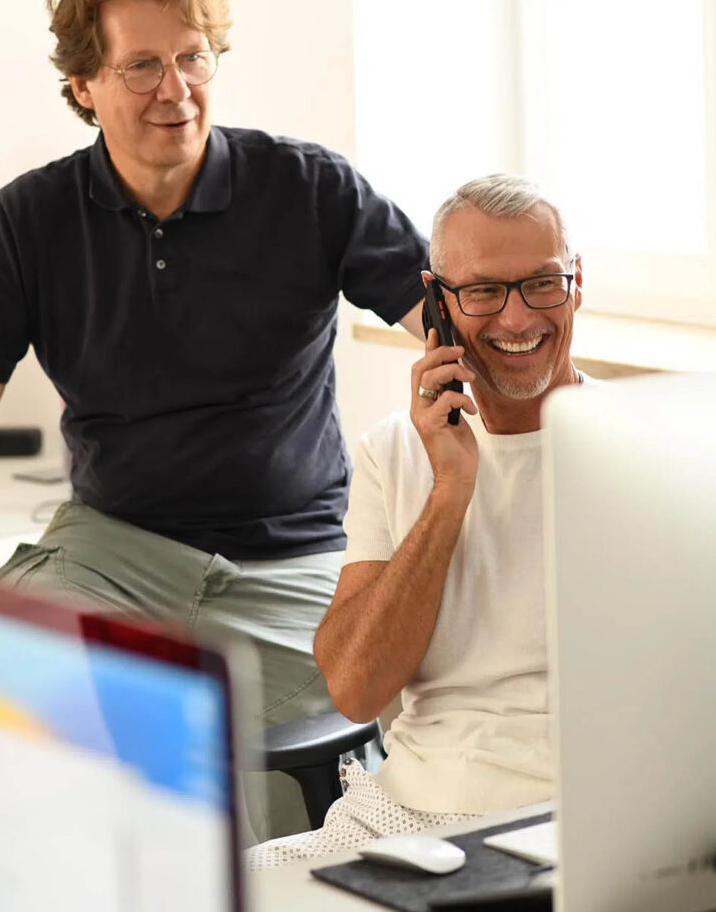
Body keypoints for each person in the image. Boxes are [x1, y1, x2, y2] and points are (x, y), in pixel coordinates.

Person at [0, 0, 427, 840]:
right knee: (2, 720)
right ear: (83, 88)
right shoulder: (29, 219)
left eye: (191, 58)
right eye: (139, 66)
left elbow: (461, 330)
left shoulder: (309, 188)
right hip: (111, 551)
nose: (174, 89)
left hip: (294, 559)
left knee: (283, 801)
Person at [247, 172, 588, 869]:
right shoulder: (392, 452)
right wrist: (450, 491)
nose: (519, 320)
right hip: (404, 816)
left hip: (568, 819)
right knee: (228, 892)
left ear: (577, 282)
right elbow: (357, 686)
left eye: (542, 284)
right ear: (436, 301)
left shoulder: (645, 445)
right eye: (485, 291)